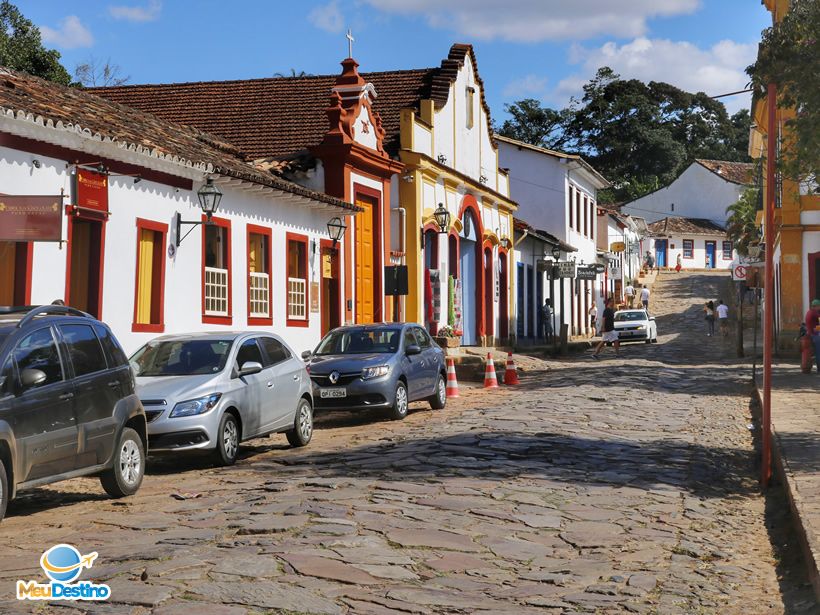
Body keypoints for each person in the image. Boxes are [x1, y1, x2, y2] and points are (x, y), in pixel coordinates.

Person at [805, 299, 820, 373]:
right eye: (819, 306)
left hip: (812, 334)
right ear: (816, 306)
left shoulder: (809, 312)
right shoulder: (814, 313)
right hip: (815, 335)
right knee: (818, 351)